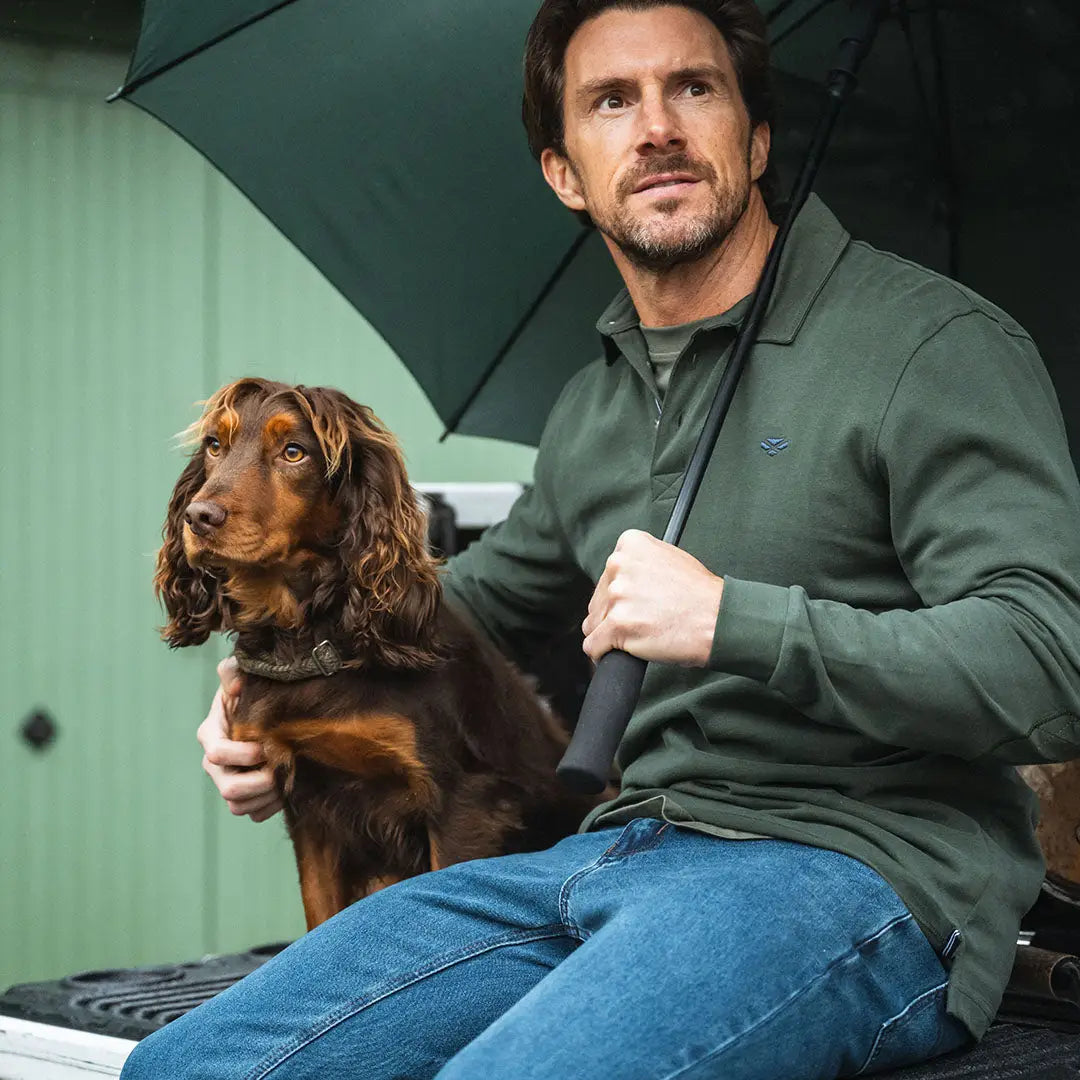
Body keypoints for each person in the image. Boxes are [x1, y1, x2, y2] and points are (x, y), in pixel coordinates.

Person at [121, 1, 1080, 1077]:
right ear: (565, 172)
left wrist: (733, 620)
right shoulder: (595, 407)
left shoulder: (930, 345)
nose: (658, 127)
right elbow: (454, 607)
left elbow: (1051, 661)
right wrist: (274, 686)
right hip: (616, 850)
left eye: (694, 88)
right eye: (612, 100)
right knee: (186, 1068)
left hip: (860, 872)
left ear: (758, 139)